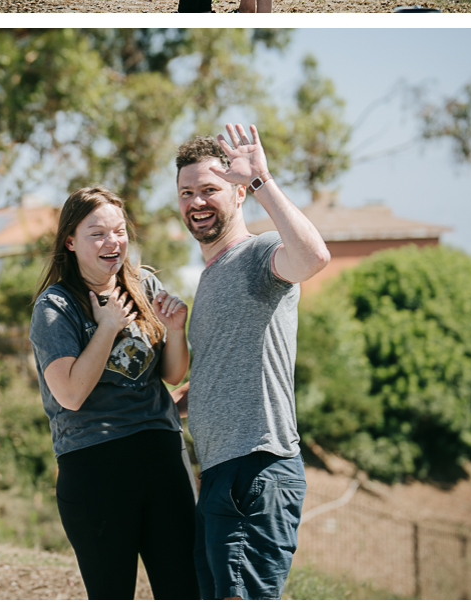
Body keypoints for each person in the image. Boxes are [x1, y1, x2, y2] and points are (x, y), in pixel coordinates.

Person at [172, 125, 330, 600]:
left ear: (239, 193)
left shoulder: (259, 254)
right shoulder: (210, 277)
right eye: (187, 193)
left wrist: (263, 178)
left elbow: (314, 256)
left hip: (257, 470)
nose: (197, 202)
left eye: (209, 190)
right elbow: (216, 381)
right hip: (220, 472)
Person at [29, 186, 200, 600]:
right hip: (95, 466)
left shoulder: (145, 284)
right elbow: (69, 394)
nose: (114, 242)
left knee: (186, 590)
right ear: (70, 241)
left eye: (120, 231)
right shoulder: (55, 308)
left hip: (162, 455)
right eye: (98, 233)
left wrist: (175, 330)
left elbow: (174, 376)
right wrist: (106, 327)